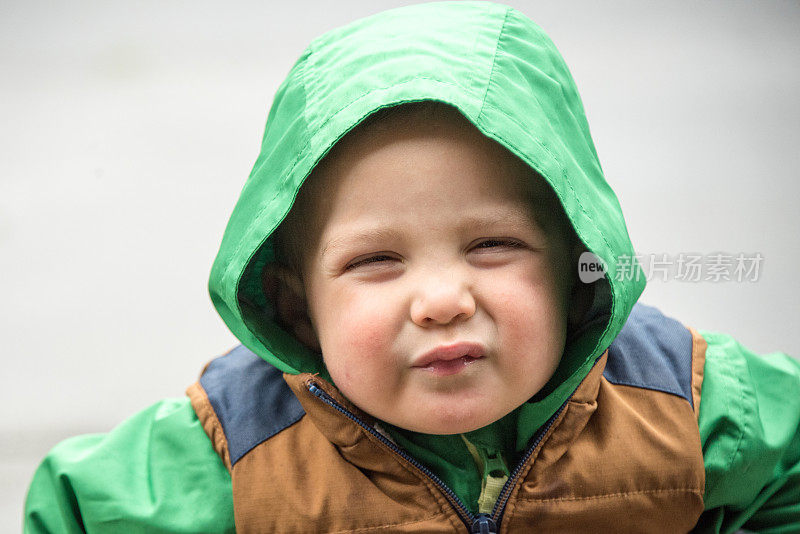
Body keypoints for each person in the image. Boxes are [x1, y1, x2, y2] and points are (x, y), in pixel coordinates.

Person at [24, 3, 800, 533]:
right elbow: (73, 510)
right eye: (376, 260)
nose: (440, 299)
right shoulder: (240, 450)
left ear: (577, 265)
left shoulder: (676, 402)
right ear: (296, 307)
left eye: (492, 245)